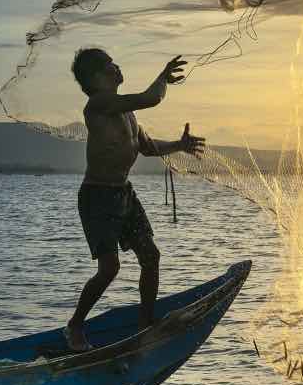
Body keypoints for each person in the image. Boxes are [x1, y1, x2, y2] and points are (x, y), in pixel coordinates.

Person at [63, 48, 205, 352]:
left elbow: (149, 147)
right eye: (110, 65)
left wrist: (179, 144)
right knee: (109, 269)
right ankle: (75, 326)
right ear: (96, 78)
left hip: (123, 193)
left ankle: (146, 324)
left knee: (150, 257)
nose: (117, 67)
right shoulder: (99, 105)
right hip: (97, 197)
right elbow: (151, 97)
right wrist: (163, 77)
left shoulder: (127, 112)